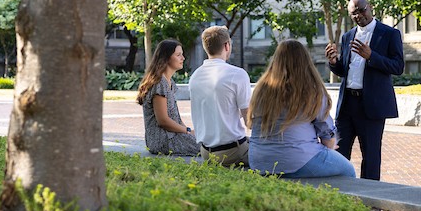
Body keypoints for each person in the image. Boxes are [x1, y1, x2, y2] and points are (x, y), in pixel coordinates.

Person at [247, 39, 356, 178]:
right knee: (348, 170)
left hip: (259, 161)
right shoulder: (312, 90)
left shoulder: (261, 90)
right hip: (298, 160)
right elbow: (328, 138)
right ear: (305, 62)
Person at [325, 0, 404, 180]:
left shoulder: (389, 34)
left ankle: (370, 197)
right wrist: (334, 62)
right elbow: (344, 70)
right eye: (354, 13)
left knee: (370, 156)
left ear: (370, 7)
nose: (359, 15)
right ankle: (339, 192)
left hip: (372, 105)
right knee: (339, 151)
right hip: (347, 105)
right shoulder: (347, 36)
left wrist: (371, 56)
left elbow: (398, 67)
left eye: (362, 10)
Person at [189, 26, 251, 166]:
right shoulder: (237, 74)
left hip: (206, 152)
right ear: (226, 45)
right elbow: (250, 122)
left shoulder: (195, 76)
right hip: (233, 152)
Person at [137, 39, 200, 156]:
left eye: (182, 54)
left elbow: (176, 117)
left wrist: (189, 131)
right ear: (166, 58)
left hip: (173, 135)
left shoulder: (169, 82)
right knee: (209, 147)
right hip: (163, 140)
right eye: (178, 55)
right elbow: (163, 121)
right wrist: (188, 131)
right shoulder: (159, 83)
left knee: (209, 141)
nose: (183, 58)